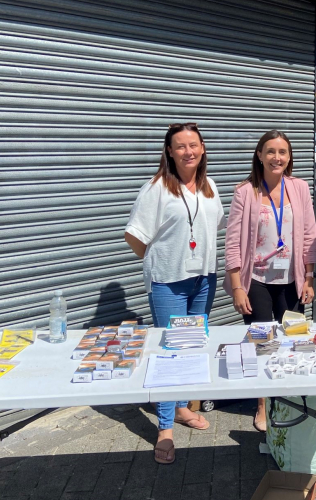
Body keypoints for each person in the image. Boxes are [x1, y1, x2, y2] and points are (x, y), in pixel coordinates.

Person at [124, 122, 224, 465]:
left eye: (193, 144)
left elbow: (214, 225)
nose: (188, 151)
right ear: (169, 151)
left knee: (190, 349)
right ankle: (165, 429)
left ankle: (181, 407)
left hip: (203, 280)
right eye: (180, 146)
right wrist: (158, 261)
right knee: (169, 354)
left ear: (203, 148)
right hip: (169, 283)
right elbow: (134, 236)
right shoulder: (156, 188)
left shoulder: (209, 186)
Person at [224, 129, 316, 431]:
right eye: (271, 151)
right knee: (263, 344)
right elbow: (233, 242)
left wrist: (310, 278)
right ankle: (263, 403)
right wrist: (237, 286)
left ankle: (289, 398)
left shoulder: (300, 188)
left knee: (292, 338)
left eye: (283, 152)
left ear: (289, 158)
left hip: (292, 280)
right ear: (259, 155)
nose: (277, 157)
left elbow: (309, 237)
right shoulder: (245, 192)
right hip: (258, 281)